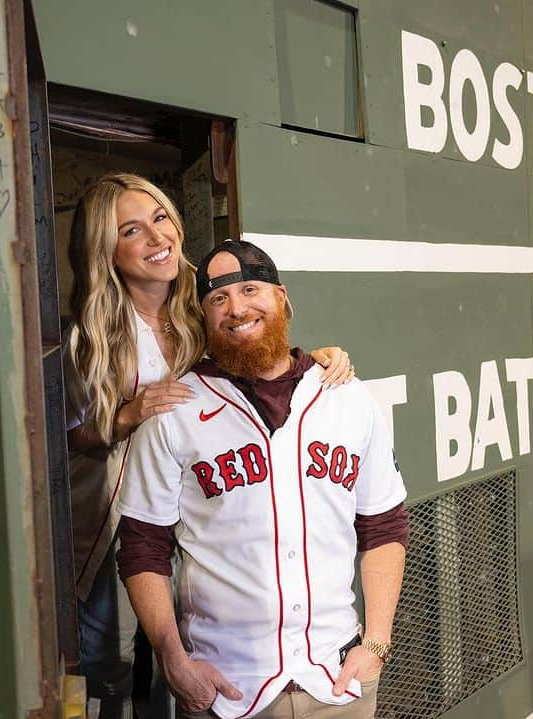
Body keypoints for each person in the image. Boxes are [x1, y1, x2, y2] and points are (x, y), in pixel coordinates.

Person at [64, 175, 354, 719]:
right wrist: (129, 415)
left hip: (201, 522)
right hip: (114, 529)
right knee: (115, 669)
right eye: (131, 230)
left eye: (160, 218)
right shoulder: (91, 335)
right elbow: (64, 437)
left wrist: (315, 361)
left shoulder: (200, 309)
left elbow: (256, 353)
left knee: (190, 666)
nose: (157, 236)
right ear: (108, 250)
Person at [116, 240, 409, 718]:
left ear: (281, 297)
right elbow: (142, 546)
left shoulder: (347, 397)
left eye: (250, 289)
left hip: (336, 678)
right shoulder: (175, 410)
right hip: (226, 688)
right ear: (205, 316)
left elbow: (383, 525)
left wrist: (375, 644)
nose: (236, 308)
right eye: (218, 299)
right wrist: (173, 659)